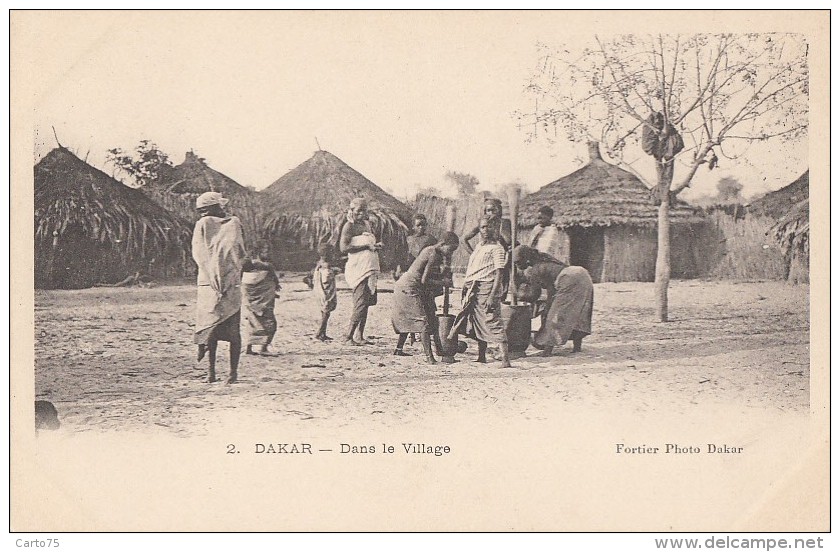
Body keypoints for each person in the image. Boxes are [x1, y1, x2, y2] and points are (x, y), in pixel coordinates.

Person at [192, 191, 247, 383]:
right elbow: (237, 252)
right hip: (222, 281)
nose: (203, 214)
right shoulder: (226, 224)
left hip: (216, 282)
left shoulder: (229, 223)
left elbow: (201, 255)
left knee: (219, 329)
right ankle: (222, 373)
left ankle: (221, 373)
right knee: (222, 330)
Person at [449, 215, 511, 367]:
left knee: (492, 320)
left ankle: (505, 360)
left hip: (487, 287)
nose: (485, 230)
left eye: (489, 227)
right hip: (473, 288)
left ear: (496, 229)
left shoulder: (497, 249)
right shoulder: (479, 247)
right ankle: (481, 356)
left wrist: (492, 296)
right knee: (476, 322)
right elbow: (464, 239)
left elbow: (499, 274)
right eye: (482, 227)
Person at [392, 232, 460, 364]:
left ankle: (399, 349)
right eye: (450, 249)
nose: (450, 253)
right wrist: (443, 282)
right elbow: (424, 280)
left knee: (412, 318)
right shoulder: (433, 253)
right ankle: (430, 358)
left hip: (408, 286)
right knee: (421, 321)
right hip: (408, 287)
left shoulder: (433, 252)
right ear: (443, 244)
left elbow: (429, 274)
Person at [513, 245, 594, 355]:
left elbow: (535, 295)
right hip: (582, 274)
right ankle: (577, 347)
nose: (517, 265)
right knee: (578, 312)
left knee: (554, 316)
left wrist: (516, 292)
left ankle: (547, 350)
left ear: (526, 259)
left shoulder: (536, 269)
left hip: (569, 279)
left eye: (518, 262)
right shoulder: (544, 260)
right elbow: (552, 288)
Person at [339, 198, 382, 346]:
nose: (361, 213)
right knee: (360, 302)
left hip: (369, 267)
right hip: (358, 269)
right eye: (358, 210)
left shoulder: (367, 224)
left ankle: (360, 335)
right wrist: (366, 248)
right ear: (352, 210)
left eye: (364, 210)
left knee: (367, 302)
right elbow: (343, 248)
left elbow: (369, 244)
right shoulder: (348, 227)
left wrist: (375, 246)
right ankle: (348, 336)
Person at [242, 242, 281, 356]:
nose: (268, 253)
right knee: (270, 323)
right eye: (265, 251)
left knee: (252, 322)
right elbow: (273, 282)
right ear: (258, 252)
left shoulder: (247, 266)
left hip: (251, 301)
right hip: (264, 301)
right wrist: (271, 290)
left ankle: (249, 348)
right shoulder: (268, 266)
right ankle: (263, 348)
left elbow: (244, 284)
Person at [394, 213, 437, 279]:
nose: (421, 227)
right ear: (413, 226)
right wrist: (398, 268)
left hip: (422, 270)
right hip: (408, 269)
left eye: (423, 225)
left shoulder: (430, 239)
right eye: (418, 225)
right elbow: (401, 255)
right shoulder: (408, 239)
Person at [313, 243, 339, 341]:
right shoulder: (326, 266)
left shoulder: (319, 263)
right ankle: (320, 332)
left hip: (319, 291)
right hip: (326, 292)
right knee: (326, 312)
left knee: (324, 311)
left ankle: (322, 332)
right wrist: (333, 273)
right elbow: (326, 279)